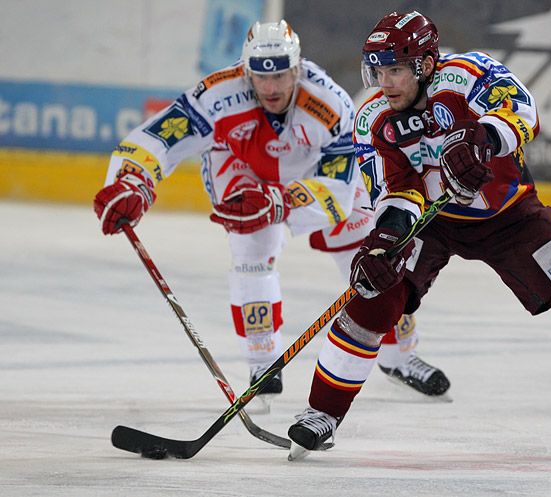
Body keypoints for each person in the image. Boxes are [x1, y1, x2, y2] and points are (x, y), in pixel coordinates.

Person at [287, 10, 551, 457]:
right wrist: (384, 241)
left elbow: (524, 112)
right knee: (374, 298)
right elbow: (395, 191)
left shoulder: (470, 74)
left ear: (425, 65)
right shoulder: (373, 119)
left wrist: (482, 135)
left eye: (396, 70)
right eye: (378, 70)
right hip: (431, 221)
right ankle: (323, 412)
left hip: (511, 216)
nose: (385, 82)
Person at [93, 20, 450, 412]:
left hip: (312, 172)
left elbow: (338, 187)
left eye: (281, 74)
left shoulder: (328, 103)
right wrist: (133, 180)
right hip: (241, 167)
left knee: (369, 251)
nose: (271, 88)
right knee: (251, 250)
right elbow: (163, 135)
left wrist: (280, 201)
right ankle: (263, 365)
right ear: (245, 71)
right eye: (261, 77)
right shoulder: (216, 94)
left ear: (297, 67)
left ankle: (399, 356)